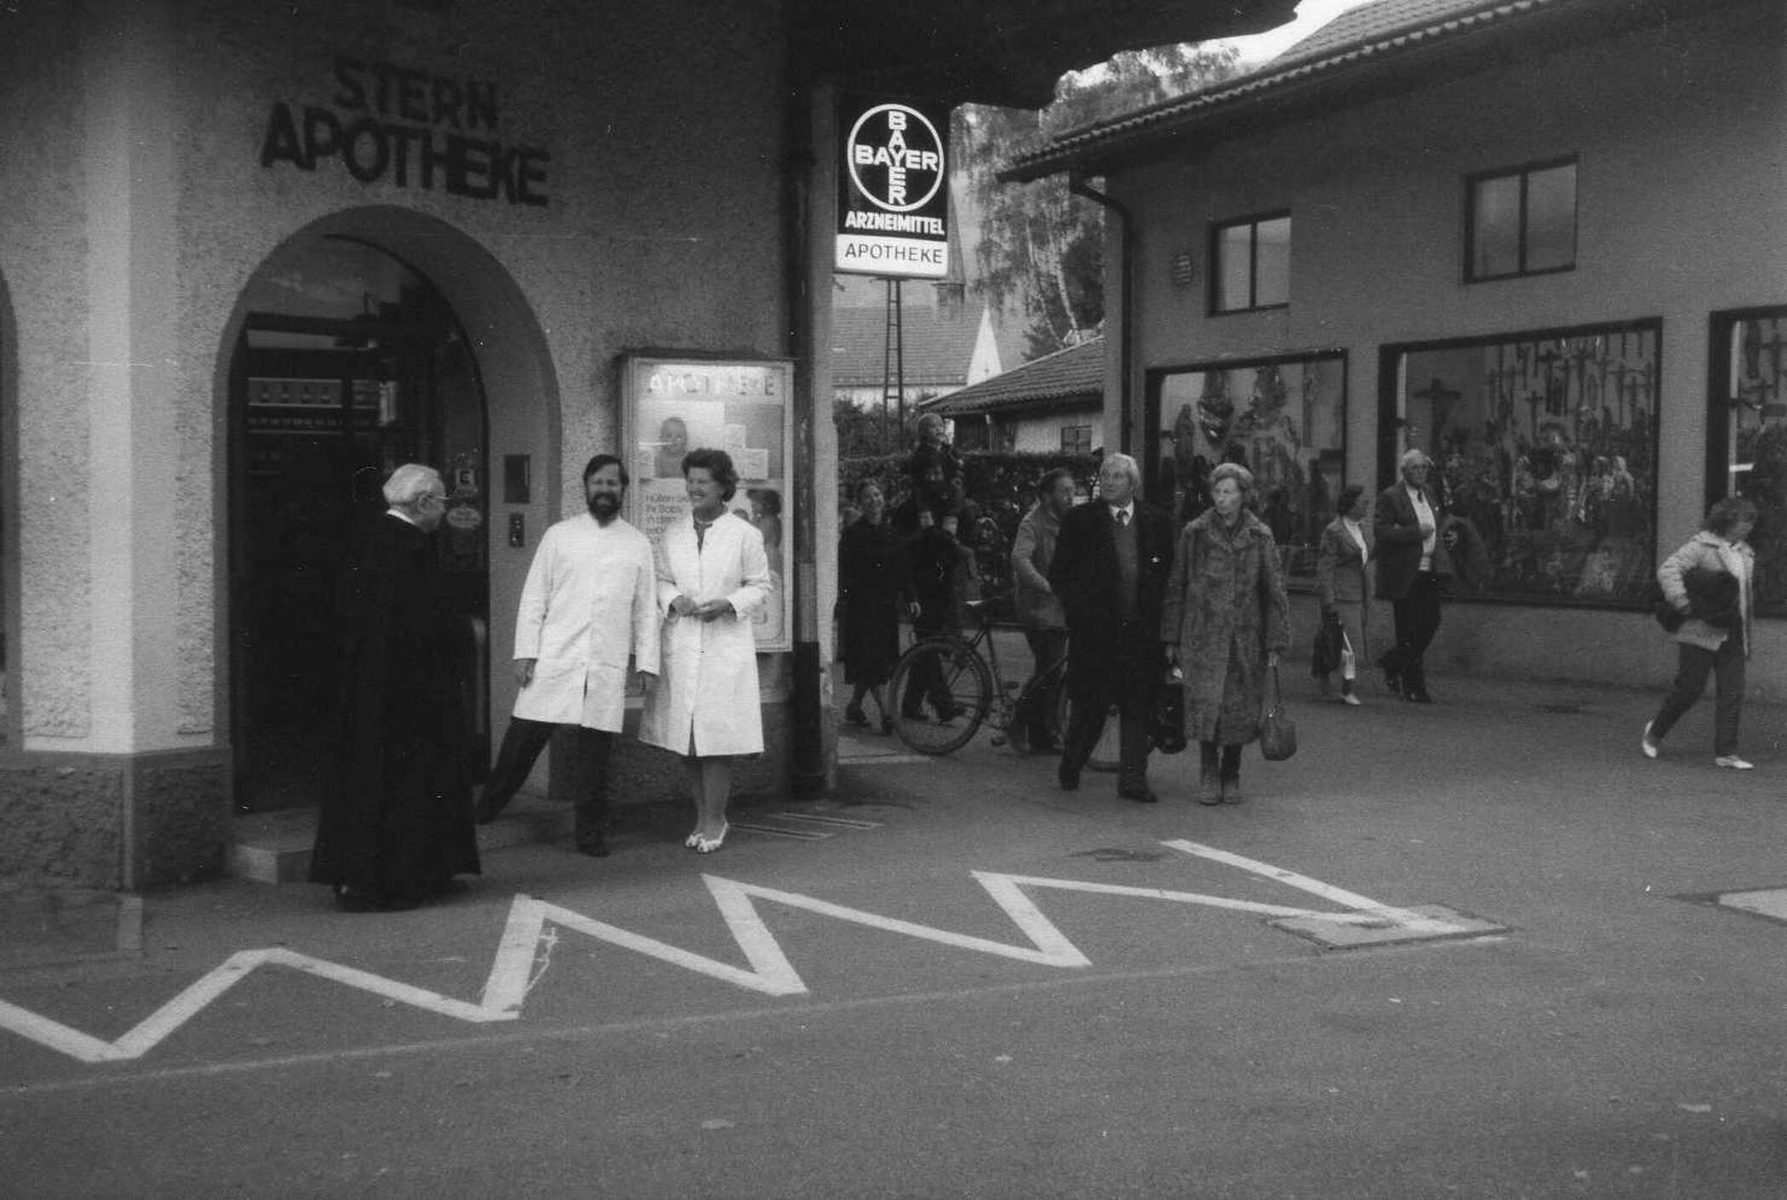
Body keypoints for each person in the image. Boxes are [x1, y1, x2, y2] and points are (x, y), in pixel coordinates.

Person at [310, 464, 480, 912]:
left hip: (366, 693)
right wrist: (469, 633)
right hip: (413, 698)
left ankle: (359, 876)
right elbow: (434, 625)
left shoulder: (367, 541)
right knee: (408, 788)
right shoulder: (414, 550)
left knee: (367, 785)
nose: (445, 511)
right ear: (423, 503)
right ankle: (398, 881)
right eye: (442, 502)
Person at [472, 454, 660, 857]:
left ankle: (590, 834)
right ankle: (487, 807)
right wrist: (525, 653)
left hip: (604, 662)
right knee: (522, 740)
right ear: (586, 487)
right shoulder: (559, 536)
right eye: (598, 483)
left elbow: (645, 609)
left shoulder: (638, 544)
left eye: (612, 483)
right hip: (556, 656)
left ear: (623, 489)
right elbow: (534, 596)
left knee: (594, 754)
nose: (605, 490)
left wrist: (646, 661)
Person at [639, 449, 773, 852]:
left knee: (716, 739)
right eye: (691, 481)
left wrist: (729, 604)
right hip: (683, 645)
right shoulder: (674, 532)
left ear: (723, 486)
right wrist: (674, 598)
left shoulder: (744, 534)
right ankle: (703, 815)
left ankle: (715, 819)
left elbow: (761, 585)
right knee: (687, 738)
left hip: (722, 647)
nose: (695, 488)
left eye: (704, 482)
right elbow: (660, 580)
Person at [1162, 463, 1291, 805]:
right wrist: (1171, 636)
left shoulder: (1260, 535)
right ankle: (1207, 771)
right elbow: (1178, 583)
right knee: (1206, 707)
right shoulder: (1195, 533)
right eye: (1218, 492)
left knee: (1240, 708)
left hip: (1245, 638)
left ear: (1243, 496)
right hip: (1203, 636)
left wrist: (1276, 639)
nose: (1222, 499)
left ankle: (1231, 772)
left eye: (1229, 492)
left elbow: (1274, 588)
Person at [1050, 453, 1176, 803]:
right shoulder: (1080, 520)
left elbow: (1169, 577)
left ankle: (1133, 779)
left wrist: (1167, 628)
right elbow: (1060, 575)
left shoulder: (1157, 522)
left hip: (1140, 633)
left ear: (1132, 484)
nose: (1107, 481)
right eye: (1104, 475)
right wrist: (1080, 613)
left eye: (1117, 476)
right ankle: (1072, 762)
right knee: (1091, 707)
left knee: (1138, 704)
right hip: (1095, 634)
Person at [1642, 496, 1758, 769]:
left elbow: (1743, 597)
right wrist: (1682, 602)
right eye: (1745, 521)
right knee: (1690, 689)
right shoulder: (1701, 546)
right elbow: (1668, 569)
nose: (1749, 527)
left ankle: (1726, 752)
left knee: (1733, 691)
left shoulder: (1746, 553)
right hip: (1700, 628)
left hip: (1732, 628)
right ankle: (1655, 732)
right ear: (1728, 520)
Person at [838, 480, 918, 733]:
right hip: (862, 606)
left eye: (877, 494)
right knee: (872, 659)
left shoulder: (892, 533)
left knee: (874, 660)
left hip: (885, 606)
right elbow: (845, 572)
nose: (873, 500)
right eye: (867, 497)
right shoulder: (853, 535)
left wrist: (911, 597)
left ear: (883, 499)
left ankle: (854, 705)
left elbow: (903, 569)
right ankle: (886, 714)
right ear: (860, 503)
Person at [1374, 448, 1450, 703]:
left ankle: (1392, 662)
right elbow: (1382, 531)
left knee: (1430, 621)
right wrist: (1415, 532)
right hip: (1405, 570)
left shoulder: (1428, 492)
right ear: (1404, 471)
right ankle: (1414, 685)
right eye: (1415, 468)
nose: (1420, 472)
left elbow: (1437, 524)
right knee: (1407, 628)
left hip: (1430, 569)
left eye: (1424, 467)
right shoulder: (1391, 496)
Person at [1011, 467, 1075, 751]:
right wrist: (1044, 584)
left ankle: (1041, 734)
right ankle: (1018, 724)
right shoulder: (1032, 523)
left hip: (1060, 607)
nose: (1071, 497)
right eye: (1064, 491)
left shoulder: (1069, 522)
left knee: (1051, 670)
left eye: (1072, 491)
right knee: (1049, 670)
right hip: (1037, 606)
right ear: (1047, 496)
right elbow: (1020, 559)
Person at [1315, 484, 1373, 706]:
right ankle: (1347, 688)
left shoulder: (1361, 529)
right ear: (1350, 505)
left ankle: (1335, 680)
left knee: (1348, 643)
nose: (1366, 506)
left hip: (1357, 594)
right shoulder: (1334, 531)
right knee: (1347, 644)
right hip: (1339, 595)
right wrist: (1327, 598)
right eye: (1362, 502)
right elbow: (1325, 566)